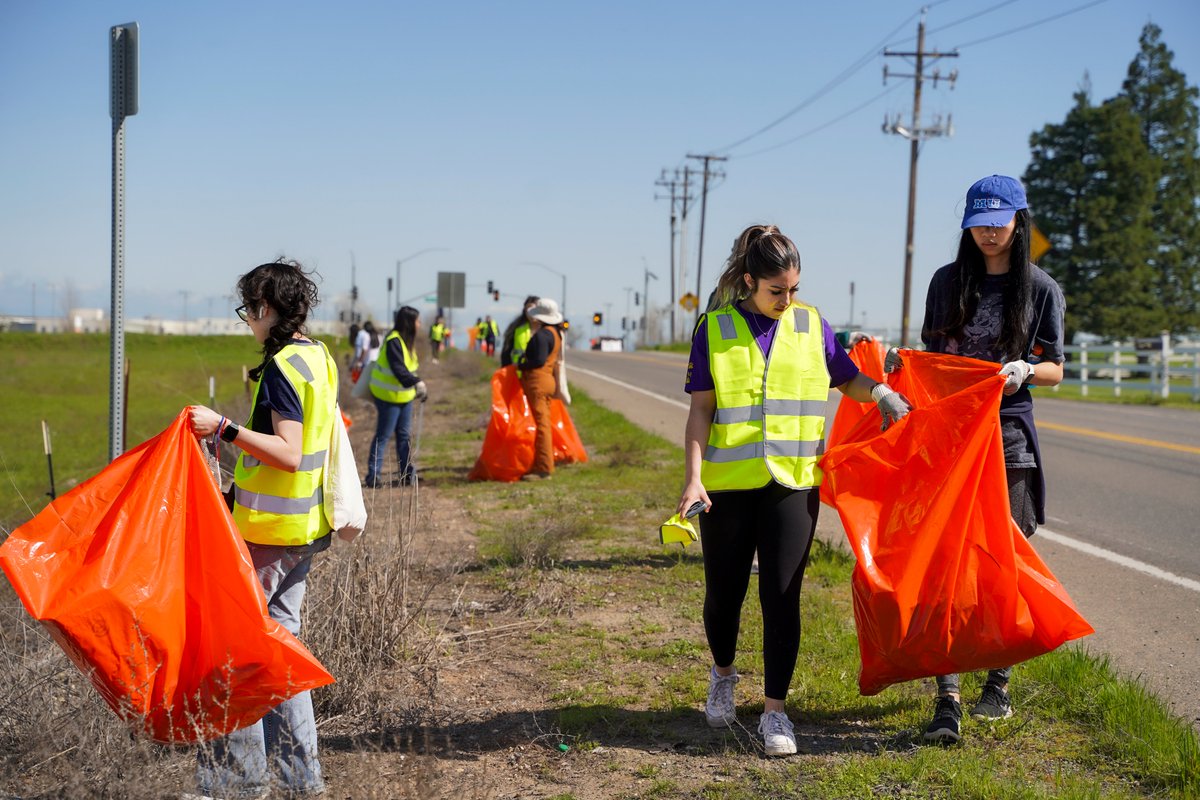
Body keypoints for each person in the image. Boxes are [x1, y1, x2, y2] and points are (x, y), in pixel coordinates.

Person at [677, 224, 912, 757]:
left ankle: (775, 714)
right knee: (725, 594)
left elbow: (844, 376)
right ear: (748, 281)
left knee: (781, 598)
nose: (787, 300)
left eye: (794, 289)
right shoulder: (713, 328)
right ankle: (722, 675)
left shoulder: (813, 326)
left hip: (793, 482)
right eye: (775, 290)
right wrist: (692, 478)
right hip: (727, 485)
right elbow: (700, 412)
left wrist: (878, 393)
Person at [885, 174, 1065, 745]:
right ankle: (947, 697)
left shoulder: (1040, 289)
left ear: (1019, 220)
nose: (989, 233)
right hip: (950, 437)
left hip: (1008, 440)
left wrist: (1026, 370)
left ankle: (999, 682)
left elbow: (1056, 368)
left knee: (1002, 561)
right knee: (948, 567)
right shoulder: (947, 282)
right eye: (979, 223)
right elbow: (929, 362)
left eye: (999, 221)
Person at [186, 258, 335, 796]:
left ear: (264, 309)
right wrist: (230, 488)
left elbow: (290, 454)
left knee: (241, 655)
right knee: (280, 652)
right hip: (302, 529)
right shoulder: (318, 357)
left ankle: (233, 785)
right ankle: (301, 783)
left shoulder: (281, 370)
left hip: (273, 535)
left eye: (247, 310)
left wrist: (223, 428)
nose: (247, 320)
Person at [364, 306, 428, 488]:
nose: (419, 324)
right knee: (383, 436)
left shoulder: (407, 342)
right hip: (387, 397)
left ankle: (407, 474)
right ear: (409, 322)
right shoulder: (394, 341)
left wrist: (415, 385)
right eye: (417, 320)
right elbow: (399, 370)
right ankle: (373, 477)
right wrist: (417, 382)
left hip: (404, 397)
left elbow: (407, 369)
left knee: (404, 436)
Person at [516, 298, 565, 481]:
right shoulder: (556, 333)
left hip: (538, 381)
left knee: (542, 424)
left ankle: (543, 468)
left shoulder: (542, 336)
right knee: (544, 423)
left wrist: (522, 364)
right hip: (548, 380)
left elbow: (537, 360)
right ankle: (541, 463)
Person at [500, 295, 540, 370]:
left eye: (536, 309)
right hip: (518, 374)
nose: (532, 311)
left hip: (538, 376)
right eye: (529, 308)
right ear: (525, 310)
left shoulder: (546, 329)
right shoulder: (516, 328)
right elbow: (506, 352)